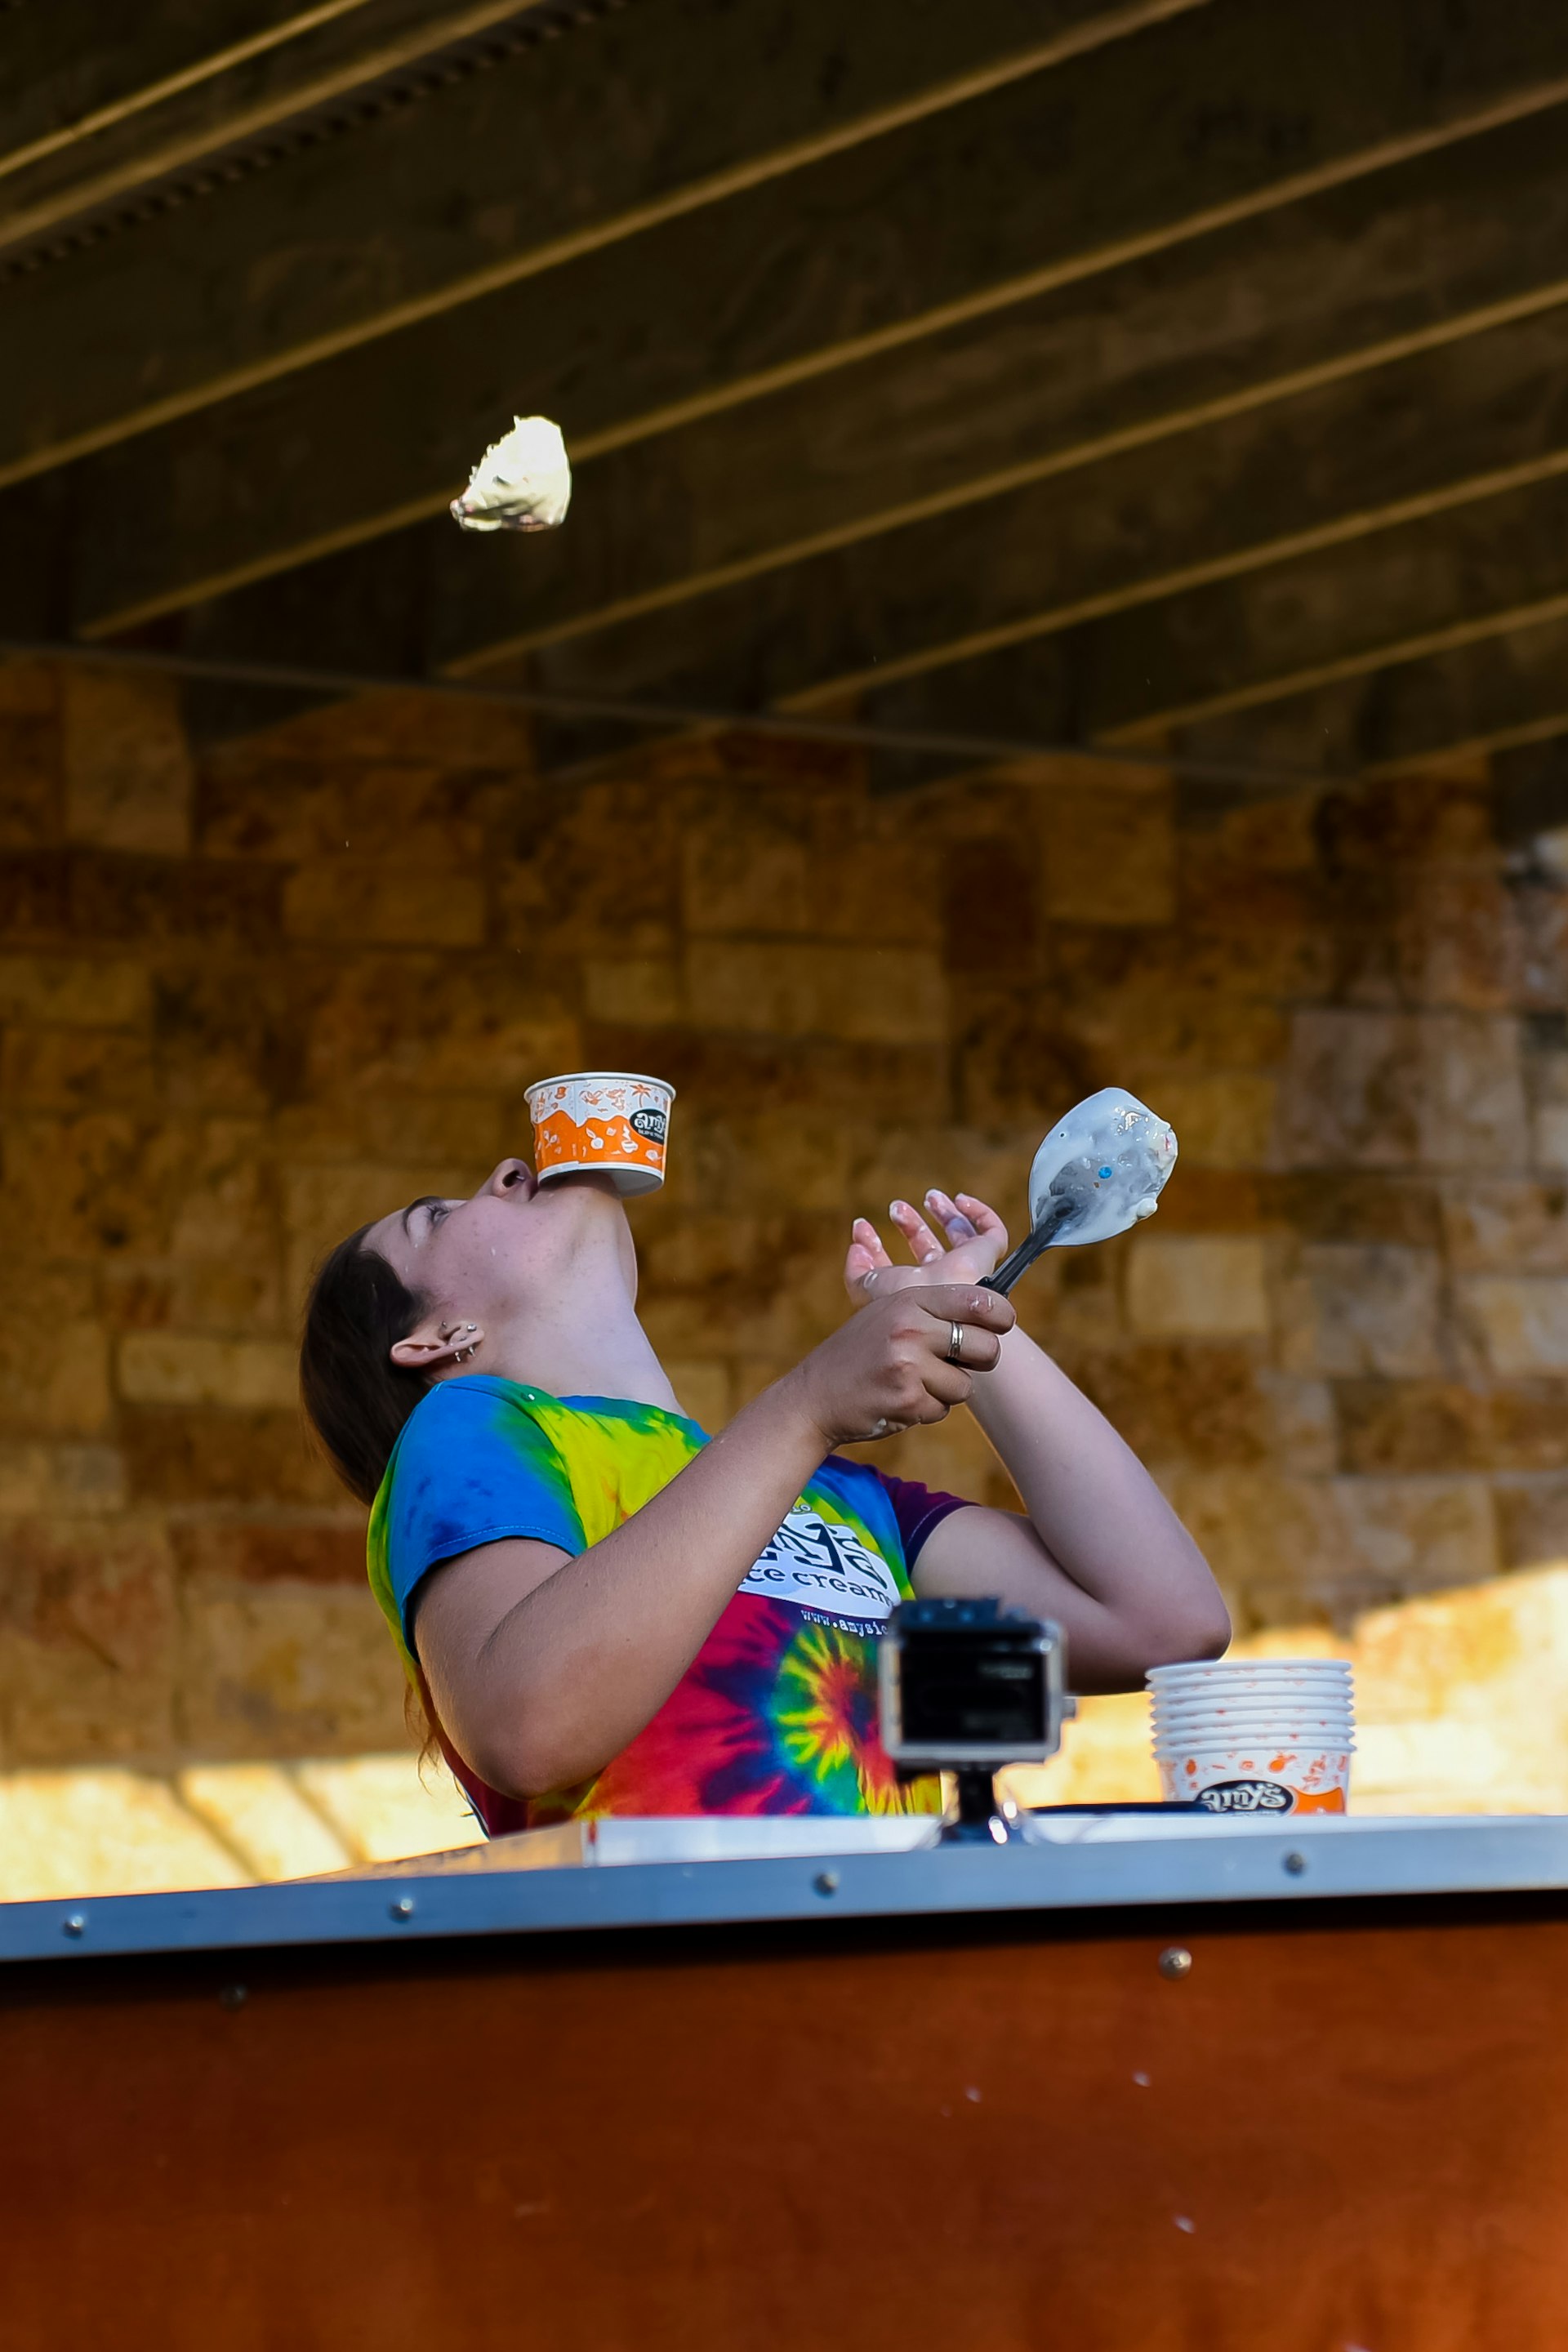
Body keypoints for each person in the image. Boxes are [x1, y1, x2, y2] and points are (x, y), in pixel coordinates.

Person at [300, 1157, 1229, 1833]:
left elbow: (1161, 1621)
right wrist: (806, 1406)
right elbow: (527, 1727)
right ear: (437, 1340)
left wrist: (970, 1312)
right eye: (437, 1215)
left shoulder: (825, 1493)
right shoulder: (470, 1428)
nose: (507, 1167)